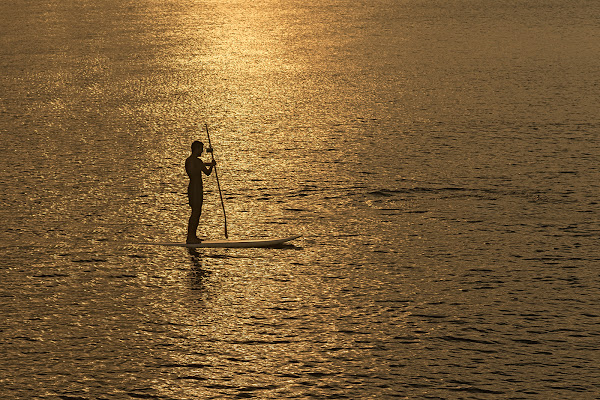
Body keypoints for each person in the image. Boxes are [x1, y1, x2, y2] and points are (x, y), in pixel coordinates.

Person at [185, 140, 216, 243]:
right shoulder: (190, 161)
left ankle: (193, 236)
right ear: (196, 149)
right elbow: (192, 171)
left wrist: (211, 165)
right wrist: (204, 165)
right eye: (201, 149)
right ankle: (190, 237)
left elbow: (207, 172)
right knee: (195, 212)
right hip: (193, 189)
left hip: (199, 189)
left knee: (198, 213)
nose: (202, 151)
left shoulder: (197, 161)